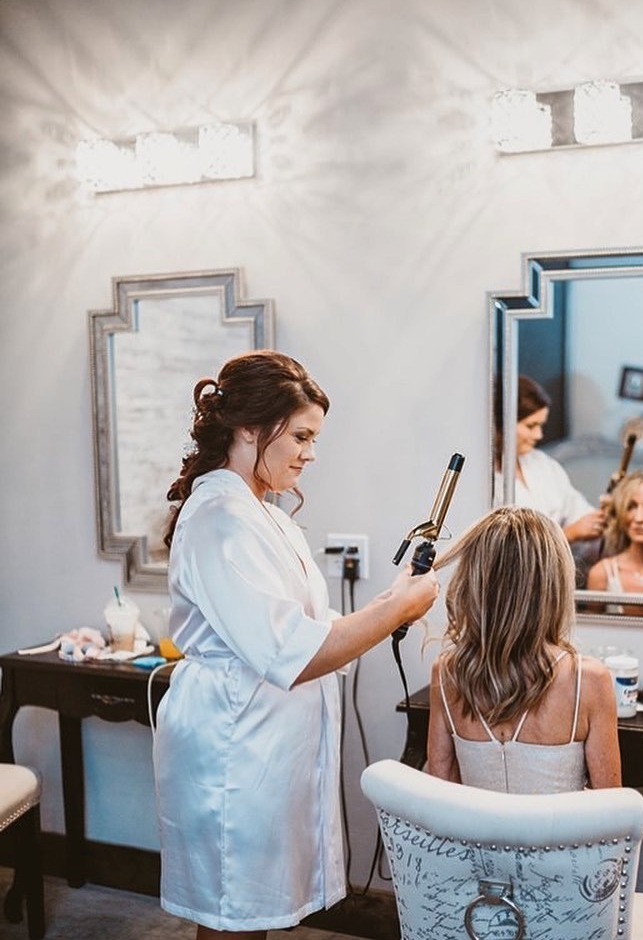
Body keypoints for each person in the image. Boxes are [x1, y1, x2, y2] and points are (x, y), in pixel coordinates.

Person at [152, 350, 439, 939]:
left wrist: (392, 599)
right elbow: (298, 652)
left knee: (253, 914)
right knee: (233, 916)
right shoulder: (221, 518)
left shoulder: (265, 514)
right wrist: (395, 610)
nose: (310, 453)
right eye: (302, 436)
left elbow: (315, 629)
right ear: (250, 428)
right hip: (235, 743)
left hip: (267, 740)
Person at [426, 506, 621, 793]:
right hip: (557, 840)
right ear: (552, 583)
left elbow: (441, 796)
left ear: (475, 581)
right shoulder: (589, 680)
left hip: (474, 839)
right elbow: (609, 816)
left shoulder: (447, 673)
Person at [494, 376, 605, 545]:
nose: (539, 435)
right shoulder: (484, 481)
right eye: (531, 426)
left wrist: (607, 516)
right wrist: (568, 534)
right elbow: (508, 548)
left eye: (541, 425)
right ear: (501, 425)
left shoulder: (542, 464)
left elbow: (579, 513)